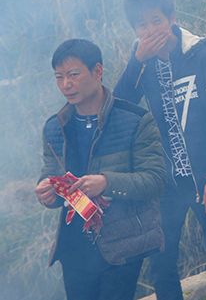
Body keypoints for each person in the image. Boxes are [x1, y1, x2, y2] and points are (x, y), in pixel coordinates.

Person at [113, 0, 206, 300]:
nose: (150, 30)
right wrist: (136, 62)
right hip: (166, 184)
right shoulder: (142, 65)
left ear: (171, 18)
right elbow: (118, 109)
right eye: (141, 25)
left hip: (205, 179)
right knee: (161, 262)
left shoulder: (200, 54)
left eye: (156, 20)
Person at [37, 39, 167, 300]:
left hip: (121, 244)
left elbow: (156, 179)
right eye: (59, 77)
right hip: (74, 244)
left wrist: (107, 182)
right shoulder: (55, 127)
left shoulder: (135, 120)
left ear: (97, 71)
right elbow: (50, 172)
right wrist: (46, 191)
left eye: (73, 75)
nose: (66, 84)